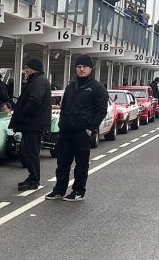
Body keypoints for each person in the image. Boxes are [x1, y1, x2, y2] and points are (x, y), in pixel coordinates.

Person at [46, 56, 108, 202]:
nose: (81, 69)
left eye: (84, 67)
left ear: (90, 69)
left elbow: (101, 111)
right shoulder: (71, 86)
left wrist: (90, 128)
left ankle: (78, 191)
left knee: (81, 164)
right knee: (62, 163)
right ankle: (59, 190)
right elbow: (64, 107)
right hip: (66, 131)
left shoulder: (97, 88)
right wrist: (62, 123)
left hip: (82, 132)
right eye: (79, 66)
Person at [9, 57, 51, 191]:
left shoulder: (39, 82)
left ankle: (34, 180)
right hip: (32, 124)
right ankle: (32, 177)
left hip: (33, 124)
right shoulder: (37, 81)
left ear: (33, 69)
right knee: (29, 152)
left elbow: (34, 101)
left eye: (27, 67)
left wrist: (22, 114)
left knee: (32, 152)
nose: (25, 70)